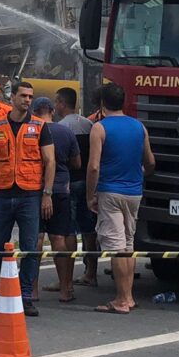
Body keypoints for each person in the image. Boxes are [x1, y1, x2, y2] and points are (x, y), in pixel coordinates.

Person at [0, 81, 55, 317]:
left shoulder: (40, 126)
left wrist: (47, 194)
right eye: (23, 96)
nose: (28, 100)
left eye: (31, 97)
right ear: (12, 97)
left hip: (30, 194)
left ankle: (24, 295)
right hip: (2, 193)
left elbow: (50, 161)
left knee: (30, 247)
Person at [87, 82, 155, 315]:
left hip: (110, 191)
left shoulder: (100, 128)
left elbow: (94, 166)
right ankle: (130, 296)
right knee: (128, 244)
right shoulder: (139, 127)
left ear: (102, 103)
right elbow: (150, 162)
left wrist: (90, 195)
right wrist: (140, 174)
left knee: (116, 247)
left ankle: (122, 299)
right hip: (134, 192)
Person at [31, 96, 80, 303]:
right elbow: (76, 162)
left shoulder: (31, 131)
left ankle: (31, 291)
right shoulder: (65, 131)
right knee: (59, 239)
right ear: (52, 110)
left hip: (34, 189)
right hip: (60, 190)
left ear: (34, 112)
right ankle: (65, 289)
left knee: (35, 240)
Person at [54, 87, 98, 287]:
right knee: (89, 229)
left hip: (69, 183)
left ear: (62, 103)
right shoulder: (90, 125)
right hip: (88, 184)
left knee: (68, 229)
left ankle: (67, 279)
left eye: (57, 102)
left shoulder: (60, 128)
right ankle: (91, 273)